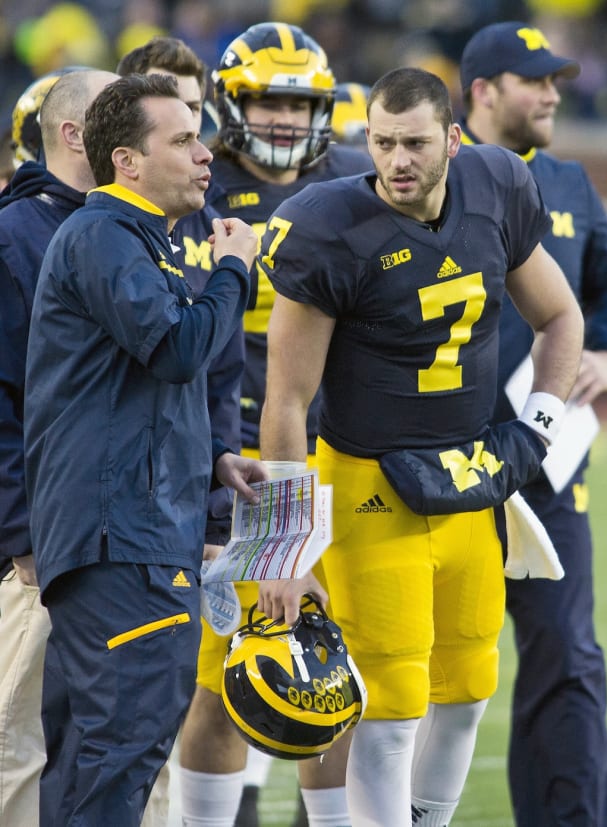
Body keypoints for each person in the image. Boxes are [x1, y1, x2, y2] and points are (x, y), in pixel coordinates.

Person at [257, 66, 584, 827]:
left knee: (469, 686)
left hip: (470, 477)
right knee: (392, 700)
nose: (397, 160)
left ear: (455, 140)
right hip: (370, 483)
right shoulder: (330, 225)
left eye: (414, 143)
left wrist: (540, 421)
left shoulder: (497, 184)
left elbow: (561, 316)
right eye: (382, 142)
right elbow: (286, 401)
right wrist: (283, 546)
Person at [23, 72, 266, 827]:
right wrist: (234, 268)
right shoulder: (102, 233)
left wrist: (215, 453)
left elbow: (138, 389)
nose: (205, 155)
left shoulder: (137, 239)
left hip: (135, 528)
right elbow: (178, 347)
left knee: (126, 742)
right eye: (183, 139)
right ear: (126, 160)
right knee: (123, 742)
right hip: (118, 536)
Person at [172, 22, 372, 827]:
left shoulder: (361, 181)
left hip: (346, 456)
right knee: (225, 673)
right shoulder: (195, 187)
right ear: (231, 102)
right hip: (240, 462)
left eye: (301, 101)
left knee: (332, 661)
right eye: (268, 99)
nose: (287, 118)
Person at [459, 21, 607, 827]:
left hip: (551, 463)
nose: (554, 92)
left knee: (567, 653)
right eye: (535, 80)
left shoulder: (569, 184)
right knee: (411, 658)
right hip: (441, 463)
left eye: (556, 78)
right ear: (483, 90)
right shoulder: (428, 171)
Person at [0, 67, 120, 827]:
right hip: (40, 542)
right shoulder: (16, 235)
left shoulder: (145, 224)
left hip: (131, 531)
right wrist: (20, 530)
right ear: (74, 133)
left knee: (133, 735)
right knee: (17, 731)